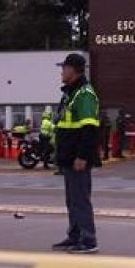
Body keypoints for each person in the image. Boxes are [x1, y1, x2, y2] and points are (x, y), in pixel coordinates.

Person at [52, 53, 101, 254]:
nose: (62, 71)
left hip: (77, 158)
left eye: (64, 68)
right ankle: (74, 236)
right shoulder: (71, 94)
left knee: (80, 199)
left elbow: (90, 129)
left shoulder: (84, 94)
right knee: (72, 200)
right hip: (69, 157)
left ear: (73, 70)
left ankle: (88, 240)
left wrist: (82, 156)